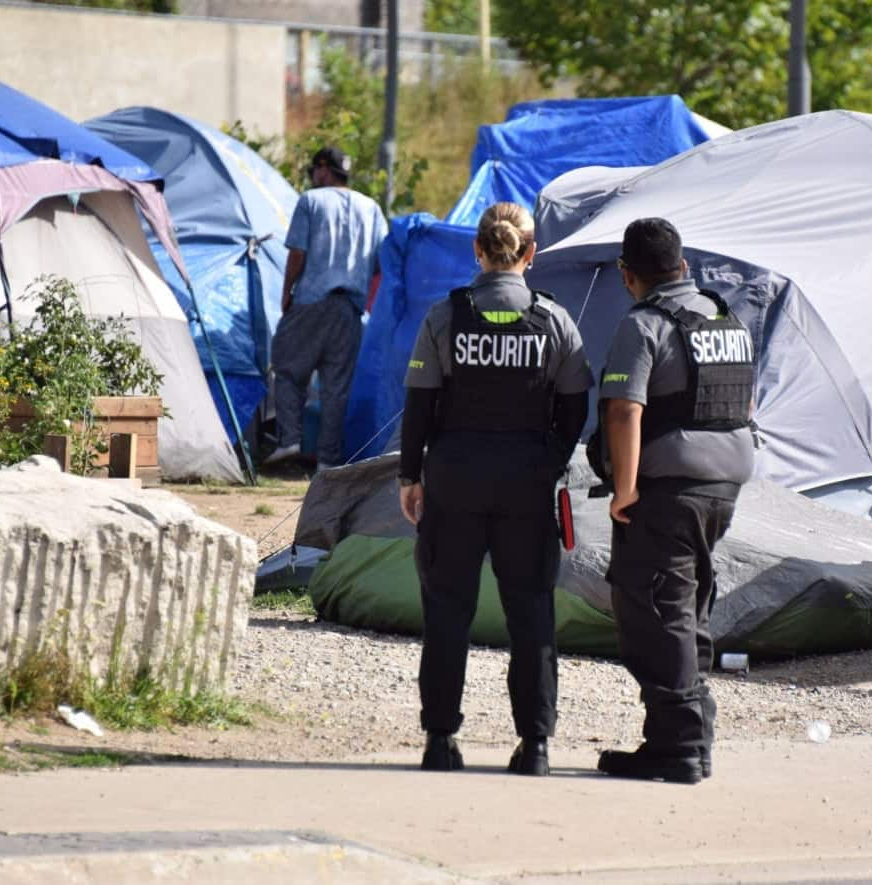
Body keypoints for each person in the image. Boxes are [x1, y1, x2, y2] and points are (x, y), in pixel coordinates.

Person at [398, 202, 593, 776]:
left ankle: (440, 742)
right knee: (531, 614)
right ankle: (534, 747)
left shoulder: (444, 317)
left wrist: (412, 476)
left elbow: (419, 404)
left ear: (477, 251)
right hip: (526, 484)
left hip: (455, 477)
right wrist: (548, 459)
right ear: (529, 255)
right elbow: (575, 406)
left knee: (447, 613)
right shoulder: (553, 320)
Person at [591, 217, 755, 785]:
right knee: (687, 609)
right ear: (683, 267)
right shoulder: (725, 316)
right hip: (724, 486)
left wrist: (624, 488)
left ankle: (679, 744)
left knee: (653, 611)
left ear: (627, 274)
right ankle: (692, 736)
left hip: (669, 488)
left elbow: (623, 410)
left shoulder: (644, 325)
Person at [263, 146, 388, 471]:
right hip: (350, 309)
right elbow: (379, 263)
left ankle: (290, 439)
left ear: (323, 170)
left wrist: (288, 293)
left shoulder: (311, 201)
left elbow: (298, 254)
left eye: (314, 171)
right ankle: (328, 463)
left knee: (288, 369)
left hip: (311, 301)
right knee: (337, 388)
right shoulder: (371, 208)